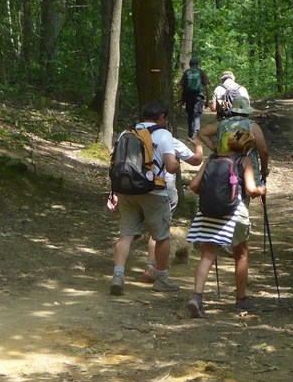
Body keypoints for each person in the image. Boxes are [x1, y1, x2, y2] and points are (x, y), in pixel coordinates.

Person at [185, 129, 267, 318]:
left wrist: (211, 197)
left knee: (207, 253)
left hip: (208, 213)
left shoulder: (212, 160)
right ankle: (241, 299)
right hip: (233, 213)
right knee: (241, 254)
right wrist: (262, 190)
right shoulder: (243, 161)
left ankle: (196, 297)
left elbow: (193, 186)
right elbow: (251, 189)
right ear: (248, 147)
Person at [109, 100, 183, 295]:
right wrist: (177, 165)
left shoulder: (126, 133)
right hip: (154, 191)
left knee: (125, 235)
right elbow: (170, 165)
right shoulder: (163, 134)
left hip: (127, 190)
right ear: (162, 117)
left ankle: (118, 275)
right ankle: (161, 278)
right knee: (161, 236)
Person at [141, 134, 203, 283]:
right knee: (160, 230)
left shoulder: (135, 136)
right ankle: (156, 268)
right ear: (163, 120)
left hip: (138, 187)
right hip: (163, 187)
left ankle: (119, 271)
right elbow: (196, 160)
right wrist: (199, 146)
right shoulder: (168, 139)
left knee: (129, 232)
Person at [197, 95, 270, 186]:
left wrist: (215, 148)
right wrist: (264, 169)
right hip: (245, 168)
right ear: (247, 112)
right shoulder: (253, 126)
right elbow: (264, 151)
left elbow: (202, 133)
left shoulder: (222, 124)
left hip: (223, 166)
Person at [178, 57, 210, 138]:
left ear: (190, 64)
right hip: (199, 96)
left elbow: (181, 87)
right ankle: (196, 133)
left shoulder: (186, 73)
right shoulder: (201, 72)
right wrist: (207, 100)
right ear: (197, 64)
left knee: (190, 114)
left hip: (188, 96)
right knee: (196, 115)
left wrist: (181, 99)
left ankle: (190, 133)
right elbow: (207, 87)